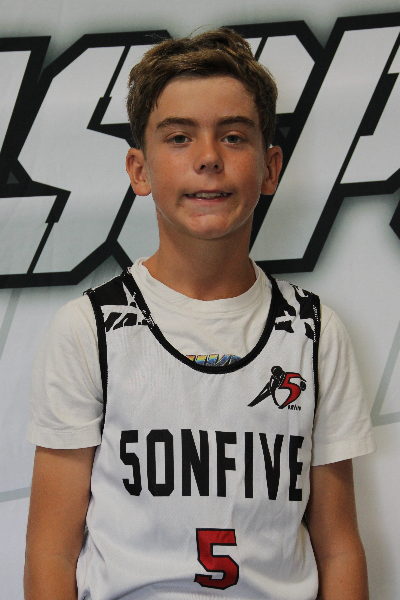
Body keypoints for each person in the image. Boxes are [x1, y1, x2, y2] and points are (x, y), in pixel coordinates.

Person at [24, 28, 376, 600]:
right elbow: (51, 551)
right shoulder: (89, 328)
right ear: (140, 169)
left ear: (270, 167)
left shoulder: (313, 333)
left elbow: (338, 548)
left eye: (233, 137)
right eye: (180, 138)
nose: (209, 158)